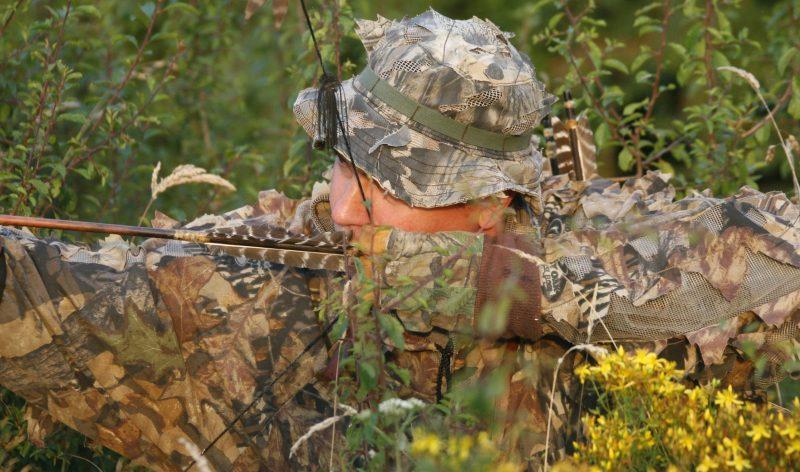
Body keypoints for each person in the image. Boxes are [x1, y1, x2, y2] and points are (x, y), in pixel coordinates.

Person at [2, 9, 800, 471]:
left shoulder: (569, 237)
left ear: (493, 203)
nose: (345, 208)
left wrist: (511, 287)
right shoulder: (250, 277)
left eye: (393, 186)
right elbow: (49, 287)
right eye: (345, 163)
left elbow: (769, 256)